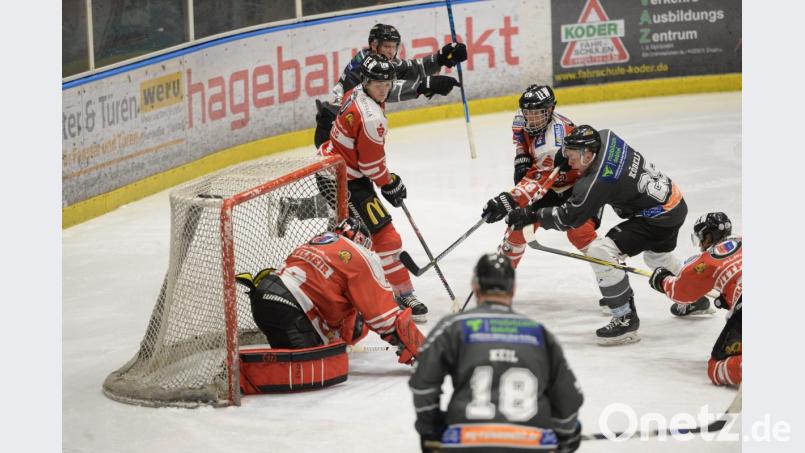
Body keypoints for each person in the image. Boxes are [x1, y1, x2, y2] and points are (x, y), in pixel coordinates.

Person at [506, 125, 709, 345]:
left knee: (600, 250)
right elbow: (589, 140)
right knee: (657, 257)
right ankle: (695, 297)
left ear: (587, 155)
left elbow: (569, 218)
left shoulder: (599, 180)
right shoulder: (605, 136)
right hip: (674, 203)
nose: (569, 162)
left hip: (659, 218)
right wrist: (562, 156)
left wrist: (532, 215)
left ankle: (625, 318)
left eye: (572, 157)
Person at [409, 254, 583, 453]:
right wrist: (565, 433)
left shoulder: (453, 327)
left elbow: (422, 384)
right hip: (530, 443)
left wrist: (430, 430)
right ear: (513, 289)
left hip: (466, 442)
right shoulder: (539, 333)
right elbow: (568, 398)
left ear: (475, 286)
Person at [313, 53, 429, 322]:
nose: (384, 89)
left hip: (339, 169)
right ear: (366, 81)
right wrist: (390, 183)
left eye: (387, 83)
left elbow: (365, 162)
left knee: (364, 236)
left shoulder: (356, 90)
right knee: (374, 238)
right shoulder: (370, 117)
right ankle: (395, 294)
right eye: (379, 84)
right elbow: (371, 166)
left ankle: (387, 291)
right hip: (342, 179)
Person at [235, 218, 425, 366]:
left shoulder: (318, 241)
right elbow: (384, 318)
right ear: (363, 240)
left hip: (263, 298)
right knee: (307, 370)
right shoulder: (363, 256)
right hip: (292, 309)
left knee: (282, 364)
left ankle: (234, 373)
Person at [480, 85, 599, 268]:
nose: (531, 118)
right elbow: (520, 139)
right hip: (551, 185)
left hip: (579, 186)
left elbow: (537, 179)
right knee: (518, 226)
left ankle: (610, 272)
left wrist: (508, 201)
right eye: (528, 112)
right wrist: (522, 158)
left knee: (580, 232)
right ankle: (501, 276)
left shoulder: (552, 143)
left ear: (550, 110)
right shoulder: (521, 119)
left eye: (537, 113)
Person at [315, 23, 466, 148]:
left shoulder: (376, 60)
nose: (391, 51)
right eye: (387, 46)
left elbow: (411, 68)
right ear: (374, 45)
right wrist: (423, 85)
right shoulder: (367, 65)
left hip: (346, 126)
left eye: (394, 46)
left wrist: (440, 58)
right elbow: (387, 89)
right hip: (335, 129)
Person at [648, 212, 742, 386]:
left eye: (701, 238)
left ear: (708, 236)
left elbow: (682, 293)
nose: (700, 244)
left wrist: (661, 280)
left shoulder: (707, 260)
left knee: (716, 368)